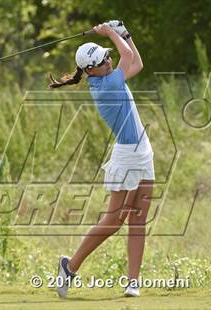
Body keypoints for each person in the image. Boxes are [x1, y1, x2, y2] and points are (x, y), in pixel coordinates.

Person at [49, 21, 154, 298]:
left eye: (108, 56)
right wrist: (111, 33)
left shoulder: (110, 77)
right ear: (90, 70)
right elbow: (128, 57)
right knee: (113, 221)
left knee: (139, 219)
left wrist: (125, 34)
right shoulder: (105, 86)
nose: (109, 60)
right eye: (102, 60)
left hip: (143, 151)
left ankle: (133, 282)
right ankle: (69, 266)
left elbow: (137, 62)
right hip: (127, 155)